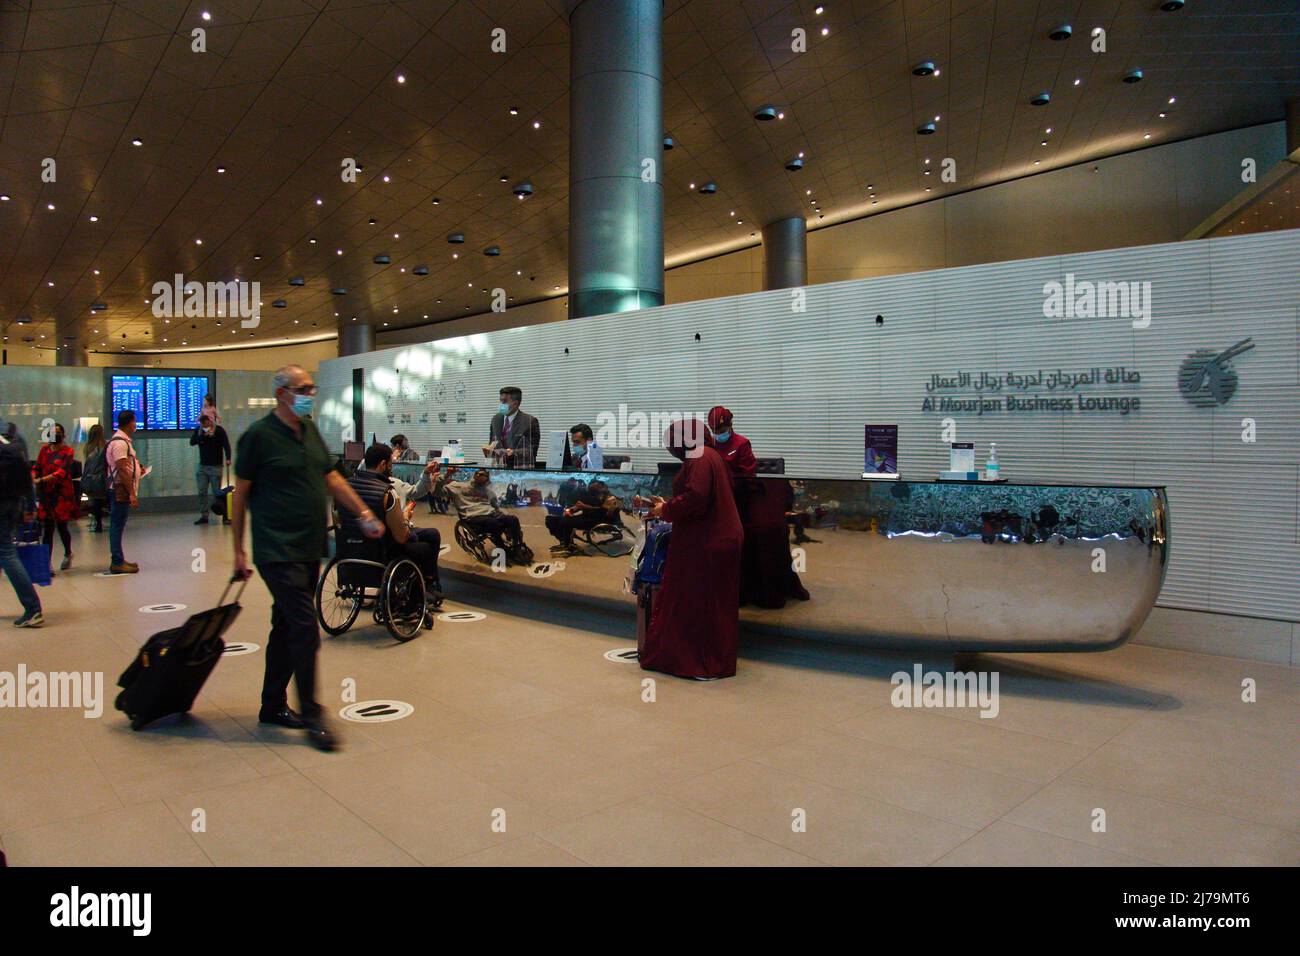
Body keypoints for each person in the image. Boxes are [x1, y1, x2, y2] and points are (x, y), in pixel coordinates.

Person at [232, 365, 383, 752]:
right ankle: (313, 713)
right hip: (275, 548)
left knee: (285, 625)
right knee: (303, 626)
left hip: (308, 546)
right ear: (282, 393)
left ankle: (271, 704)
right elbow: (241, 494)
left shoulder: (310, 431)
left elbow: (332, 478)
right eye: (304, 389)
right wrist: (237, 550)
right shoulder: (259, 436)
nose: (310, 395)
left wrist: (363, 513)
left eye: (312, 389)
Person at [641, 419, 743, 680]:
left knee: (695, 601)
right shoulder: (711, 455)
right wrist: (669, 504)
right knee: (714, 602)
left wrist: (665, 509)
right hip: (719, 537)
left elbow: (696, 498)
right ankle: (713, 660)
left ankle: (699, 663)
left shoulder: (698, 457)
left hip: (706, 540)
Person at [707, 405, 809, 608]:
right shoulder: (710, 445)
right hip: (720, 501)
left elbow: (748, 476)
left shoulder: (742, 443)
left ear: (730, 425)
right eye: (715, 431)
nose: (719, 434)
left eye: (722, 430)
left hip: (742, 500)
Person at [347, 444, 443, 612]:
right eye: (391, 464)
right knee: (421, 544)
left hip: (353, 545)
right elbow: (401, 536)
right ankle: (422, 587)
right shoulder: (387, 491)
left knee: (429, 534)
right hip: (385, 547)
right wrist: (405, 516)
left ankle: (427, 584)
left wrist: (426, 474)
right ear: (383, 464)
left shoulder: (347, 489)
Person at [435, 466, 532, 565]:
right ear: (474, 475)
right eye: (479, 474)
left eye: (483, 475)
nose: (480, 476)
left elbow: (496, 507)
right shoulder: (458, 487)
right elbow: (437, 492)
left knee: (513, 520)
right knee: (493, 524)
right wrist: (446, 475)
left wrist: (506, 516)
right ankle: (503, 548)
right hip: (473, 517)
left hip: (490, 515)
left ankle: (517, 546)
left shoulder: (488, 492)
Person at [0, 422, 43, 627]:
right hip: (14, 502)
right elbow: (27, 473)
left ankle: (33, 608)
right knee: (5, 550)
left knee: (7, 553)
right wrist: (30, 505)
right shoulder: (13, 430)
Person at [33, 423, 79, 573]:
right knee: (48, 529)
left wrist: (41, 480)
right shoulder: (44, 450)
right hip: (46, 494)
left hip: (61, 495)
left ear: (63, 435)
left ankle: (68, 553)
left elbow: (61, 473)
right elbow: (37, 467)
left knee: (62, 527)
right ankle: (47, 563)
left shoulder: (68, 451)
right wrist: (34, 478)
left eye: (58, 432)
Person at [105, 409, 147, 574]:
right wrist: (132, 493)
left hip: (121, 489)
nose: (136, 425)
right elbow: (122, 470)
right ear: (129, 424)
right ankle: (117, 561)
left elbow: (127, 466)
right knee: (117, 526)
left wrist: (138, 470)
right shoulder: (120, 443)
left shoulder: (123, 441)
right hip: (120, 490)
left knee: (118, 525)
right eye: (134, 422)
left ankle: (119, 558)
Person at [546, 479, 618, 555]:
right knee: (550, 519)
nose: (592, 487)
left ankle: (568, 545)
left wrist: (585, 506)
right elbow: (579, 506)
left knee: (566, 521)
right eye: (591, 485)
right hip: (586, 517)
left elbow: (604, 512)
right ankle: (563, 542)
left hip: (596, 520)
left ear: (602, 486)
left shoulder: (609, 498)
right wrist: (570, 510)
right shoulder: (590, 494)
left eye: (596, 486)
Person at [190, 413, 231, 526]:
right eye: (203, 424)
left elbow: (226, 445)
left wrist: (228, 458)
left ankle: (225, 515)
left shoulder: (219, 431)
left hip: (216, 466)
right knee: (202, 492)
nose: (206, 426)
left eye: (207, 423)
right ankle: (204, 516)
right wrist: (203, 435)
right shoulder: (199, 431)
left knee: (217, 493)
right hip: (203, 466)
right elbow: (192, 442)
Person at [482, 386, 540, 466]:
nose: (501, 404)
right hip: (498, 468)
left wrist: (512, 452)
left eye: (504, 401)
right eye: (500, 400)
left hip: (519, 468)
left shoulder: (529, 421)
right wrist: (489, 451)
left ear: (515, 403)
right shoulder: (496, 419)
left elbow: (532, 451)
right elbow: (493, 443)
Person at [81, 423, 108, 533]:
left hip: (90, 479)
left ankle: (98, 523)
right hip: (102, 479)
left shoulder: (88, 447)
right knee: (101, 500)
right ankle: (101, 522)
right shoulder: (105, 446)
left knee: (95, 502)